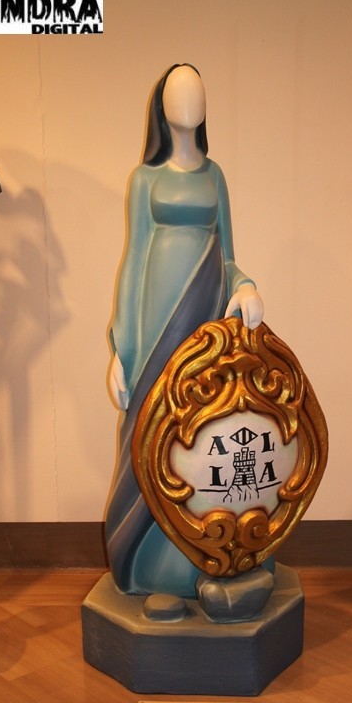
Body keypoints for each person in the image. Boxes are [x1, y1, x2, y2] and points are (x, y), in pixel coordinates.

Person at [105, 64, 264, 597]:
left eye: (197, 92)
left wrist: (245, 286)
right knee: (151, 427)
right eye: (179, 92)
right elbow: (133, 262)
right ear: (162, 106)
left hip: (206, 312)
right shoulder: (144, 179)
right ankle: (144, 562)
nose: (190, 100)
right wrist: (122, 349)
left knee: (198, 427)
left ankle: (199, 552)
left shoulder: (215, 175)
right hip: (155, 322)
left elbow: (230, 253)